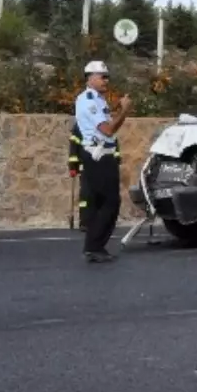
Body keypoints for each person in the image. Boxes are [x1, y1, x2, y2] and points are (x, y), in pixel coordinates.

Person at [75, 60, 132, 263]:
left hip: (102, 154)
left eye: (107, 76)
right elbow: (108, 129)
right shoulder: (89, 100)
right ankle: (94, 246)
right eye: (102, 76)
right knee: (110, 202)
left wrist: (117, 109)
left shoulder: (98, 99)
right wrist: (124, 110)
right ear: (90, 78)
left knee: (102, 203)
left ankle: (94, 245)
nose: (106, 80)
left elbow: (107, 123)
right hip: (98, 156)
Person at [68, 121, 90, 231]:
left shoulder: (100, 122)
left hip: (99, 166)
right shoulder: (79, 126)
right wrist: (73, 167)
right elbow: (74, 148)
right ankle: (84, 222)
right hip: (85, 166)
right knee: (85, 195)